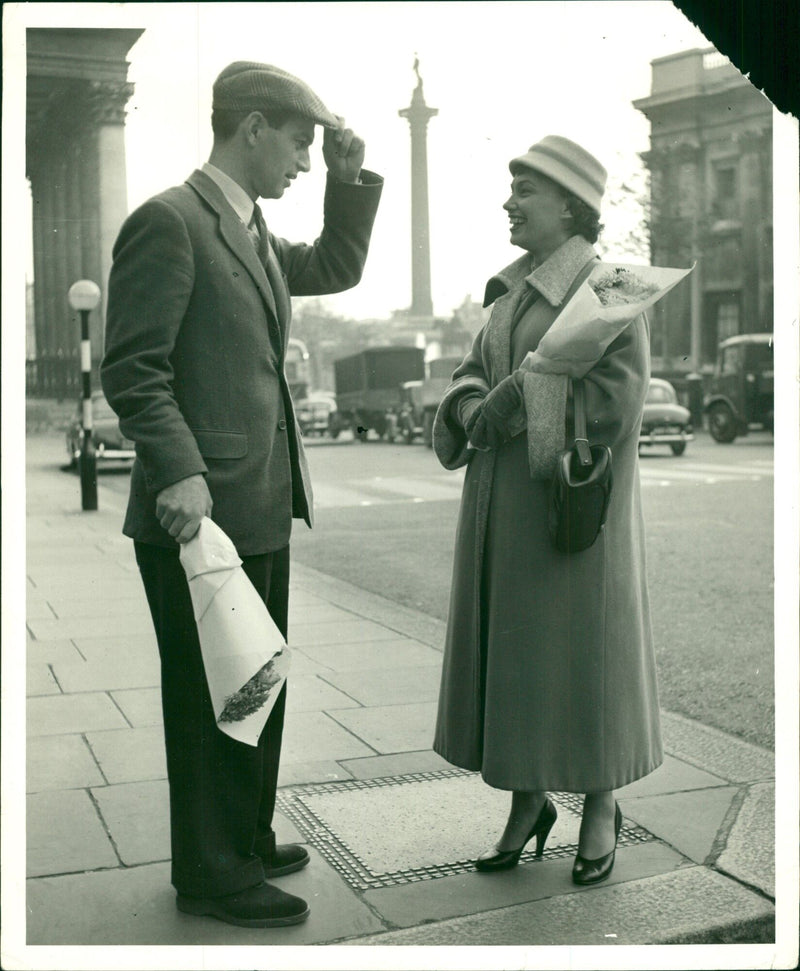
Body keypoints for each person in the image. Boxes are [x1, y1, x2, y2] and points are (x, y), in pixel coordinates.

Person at [101, 61, 382, 927]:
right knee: (208, 693)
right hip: (198, 512)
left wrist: (348, 180)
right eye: (300, 142)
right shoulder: (171, 221)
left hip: (255, 501)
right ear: (252, 128)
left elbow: (337, 264)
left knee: (257, 679)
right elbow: (133, 368)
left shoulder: (252, 231)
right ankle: (212, 869)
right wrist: (179, 468)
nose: (303, 159)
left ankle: (246, 832)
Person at [431, 135, 662, 885]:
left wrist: (521, 405)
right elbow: (468, 377)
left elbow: (613, 404)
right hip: (505, 516)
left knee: (583, 662)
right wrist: (474, 408)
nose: (509, 201)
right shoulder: (510, 290)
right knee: (522, 664)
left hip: (571, 519)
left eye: (525, 190)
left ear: (570, 204)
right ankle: (528, 803)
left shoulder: (614, 286)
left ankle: (600, 805)